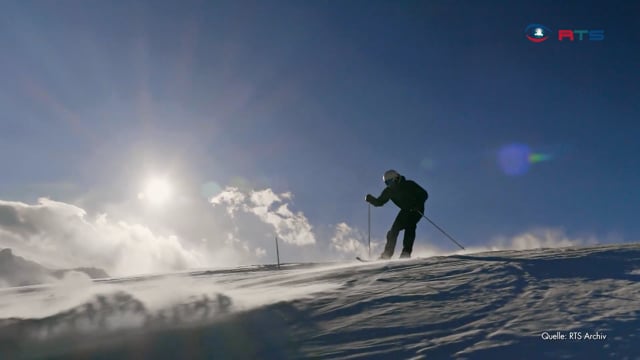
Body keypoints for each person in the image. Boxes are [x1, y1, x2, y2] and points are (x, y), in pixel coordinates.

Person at [365, 170, 428, 259]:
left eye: (390, 182)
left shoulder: (409, 184)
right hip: (405, 210)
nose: (389, 185)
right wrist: (371, 199)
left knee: (410, 226)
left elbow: (424, 194)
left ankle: (406, 253)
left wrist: (417, 204)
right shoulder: (389, 191)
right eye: (387, 183)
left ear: (396, 178)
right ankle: (387, 254)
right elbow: (380, 202)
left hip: (416, 209)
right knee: (393, 231)